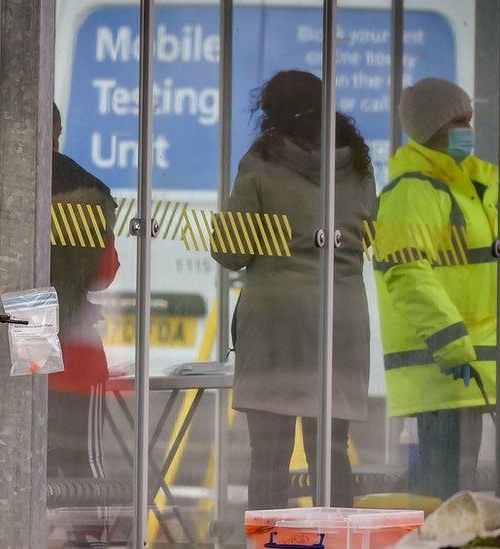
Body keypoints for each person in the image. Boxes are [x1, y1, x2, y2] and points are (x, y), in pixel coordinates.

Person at [0, 90, 119, 543]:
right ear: (51, 133)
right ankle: (83, 541)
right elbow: (102, 273)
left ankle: (10, 538)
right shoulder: (81, 187)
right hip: (63, 344)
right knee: (77, 465)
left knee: (6, 463)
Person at [212, 70, 376, 509]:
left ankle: (267, 542)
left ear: (272, 114)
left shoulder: (261, 162)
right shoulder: (358, 165)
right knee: (332, 453)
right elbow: (371, 234)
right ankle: (337, 538)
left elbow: (231, 251)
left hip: (276, 326)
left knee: (268, 458)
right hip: (341, 321)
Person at [374, 77, 497, 500]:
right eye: (458, 121)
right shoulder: (411, 191)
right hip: (442, 367)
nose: (468, 129)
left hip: (473, 364)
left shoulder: (474, 187)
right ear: (430, 131)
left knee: (464, 496)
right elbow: (407, 273)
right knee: (444, 496)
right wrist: (450, 341)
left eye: (469, 118)